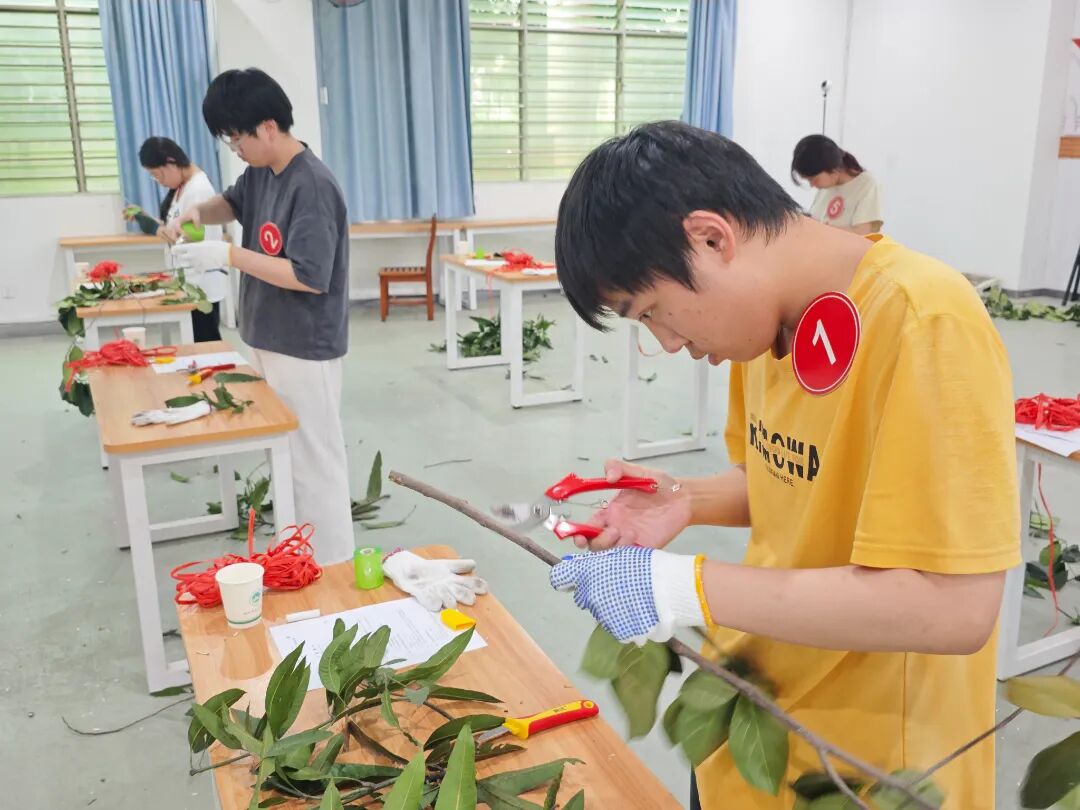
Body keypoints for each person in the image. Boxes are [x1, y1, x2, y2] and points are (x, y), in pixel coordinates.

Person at [549, 121, 1017, 809]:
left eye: (653, 313)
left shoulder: (924, 319)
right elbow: (788, 479)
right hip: (750, 715)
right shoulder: (765, 323)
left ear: (712, 239)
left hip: (866, 766)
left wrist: (679, 586)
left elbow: (954, 608)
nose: (669, 343)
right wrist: (685, 498)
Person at [167, 68, 354, 566]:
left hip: (304, 344)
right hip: (270, 337)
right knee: (287, 454)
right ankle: (299, 553)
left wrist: (228, 256)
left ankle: (333, 563)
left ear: (268, 127)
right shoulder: (260, 172)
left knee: (315, 461)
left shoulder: (312, 186)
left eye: (236, 138)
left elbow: (309, 276)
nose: (235, 149)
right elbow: (231, 203)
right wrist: (192, 215)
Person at [125, 136, 226, 341]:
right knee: (198, 340)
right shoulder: (182, 187)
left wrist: (156, 228)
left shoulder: (198, 189)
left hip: (200, 281)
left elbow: (192, 236)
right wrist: (143, 217)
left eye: (157, 174)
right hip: (189, 280)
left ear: (170, 163)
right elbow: (173, 226)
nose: (159, 181)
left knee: (205, 340)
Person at [791, 134, 883, 235]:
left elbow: (862, 233)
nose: (812, 185)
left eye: (813, 179)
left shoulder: (866, 185)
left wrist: (821, 230)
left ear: (833, 169)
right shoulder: (825, 187)